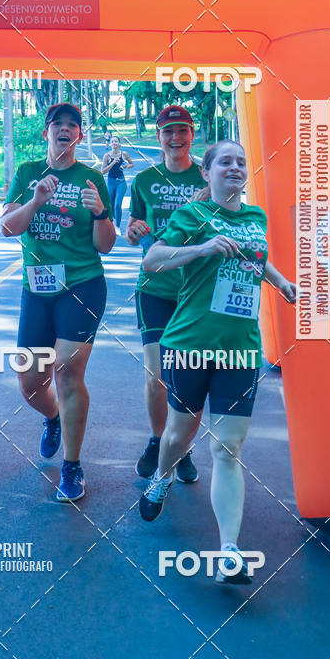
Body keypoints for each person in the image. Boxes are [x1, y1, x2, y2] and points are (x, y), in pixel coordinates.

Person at [138, 139, 297, 585]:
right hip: (191, 344)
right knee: (178, 434)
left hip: (240, 349)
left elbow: (256, 261)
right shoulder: (191, 217)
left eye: (241, 162)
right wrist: (203, 248)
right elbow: (152, 261)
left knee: (227, 450)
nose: (234, 167)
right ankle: (163, 477)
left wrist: (282, 282)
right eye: (224, 162)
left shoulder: (256, 217)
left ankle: (229, 551)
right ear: (205, 174)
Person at [0, 103, 115, 502]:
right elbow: (7, 228)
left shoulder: (91, 177)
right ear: (46, 132)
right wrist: (35, 200)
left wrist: (100, 213)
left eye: (72, 126)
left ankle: (72, 466)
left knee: (67, 374)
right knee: (31, 383)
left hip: (82, 285)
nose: (64, 130)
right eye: (57, 125)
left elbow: (106, 245)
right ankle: (52, 417)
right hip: (37, 289)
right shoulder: (28, 172)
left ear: (79, 136)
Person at [126, 106, 205, 483]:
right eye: (168, 131)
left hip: (196, 290)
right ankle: (159, 441)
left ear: (192, 134)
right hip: (155, 288)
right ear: (158, 137)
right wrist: (134, 230)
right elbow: (133, 228)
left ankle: (182, 446)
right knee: (157, 375)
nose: (176, 138)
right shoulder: (142, 180)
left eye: (183, 131)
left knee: (187, 374)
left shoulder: (208, 175)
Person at [101, 135, 133, 233]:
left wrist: (127, 166)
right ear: (110, 144)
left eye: (116, 141)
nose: (114, 143)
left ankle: (117, 227)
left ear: (119, 144)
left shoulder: (124, 154)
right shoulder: (107, 156)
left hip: (121, 182)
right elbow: (102, 171)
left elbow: (132, 164)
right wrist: (113, 163)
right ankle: (112, 222)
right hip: (111, 182)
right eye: (112, 141)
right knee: (110, 204)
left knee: (118, 204)